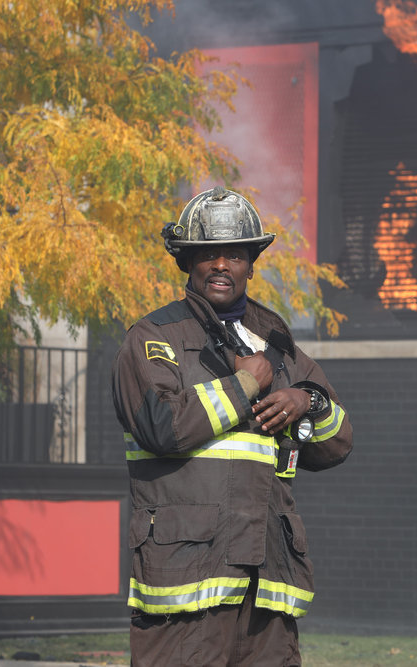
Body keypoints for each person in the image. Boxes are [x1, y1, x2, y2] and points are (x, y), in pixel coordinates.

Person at [111, 185, 353, 666]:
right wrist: (244, 386)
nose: (222, 265)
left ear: (251, 264)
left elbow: (339, 443)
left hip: (267, 587)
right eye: (209, 254)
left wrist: (307, 401)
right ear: (187, 261)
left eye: (236, 255)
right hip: (188, 585)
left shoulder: (277, 345)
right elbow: (161, 425)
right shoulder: (154, 338)